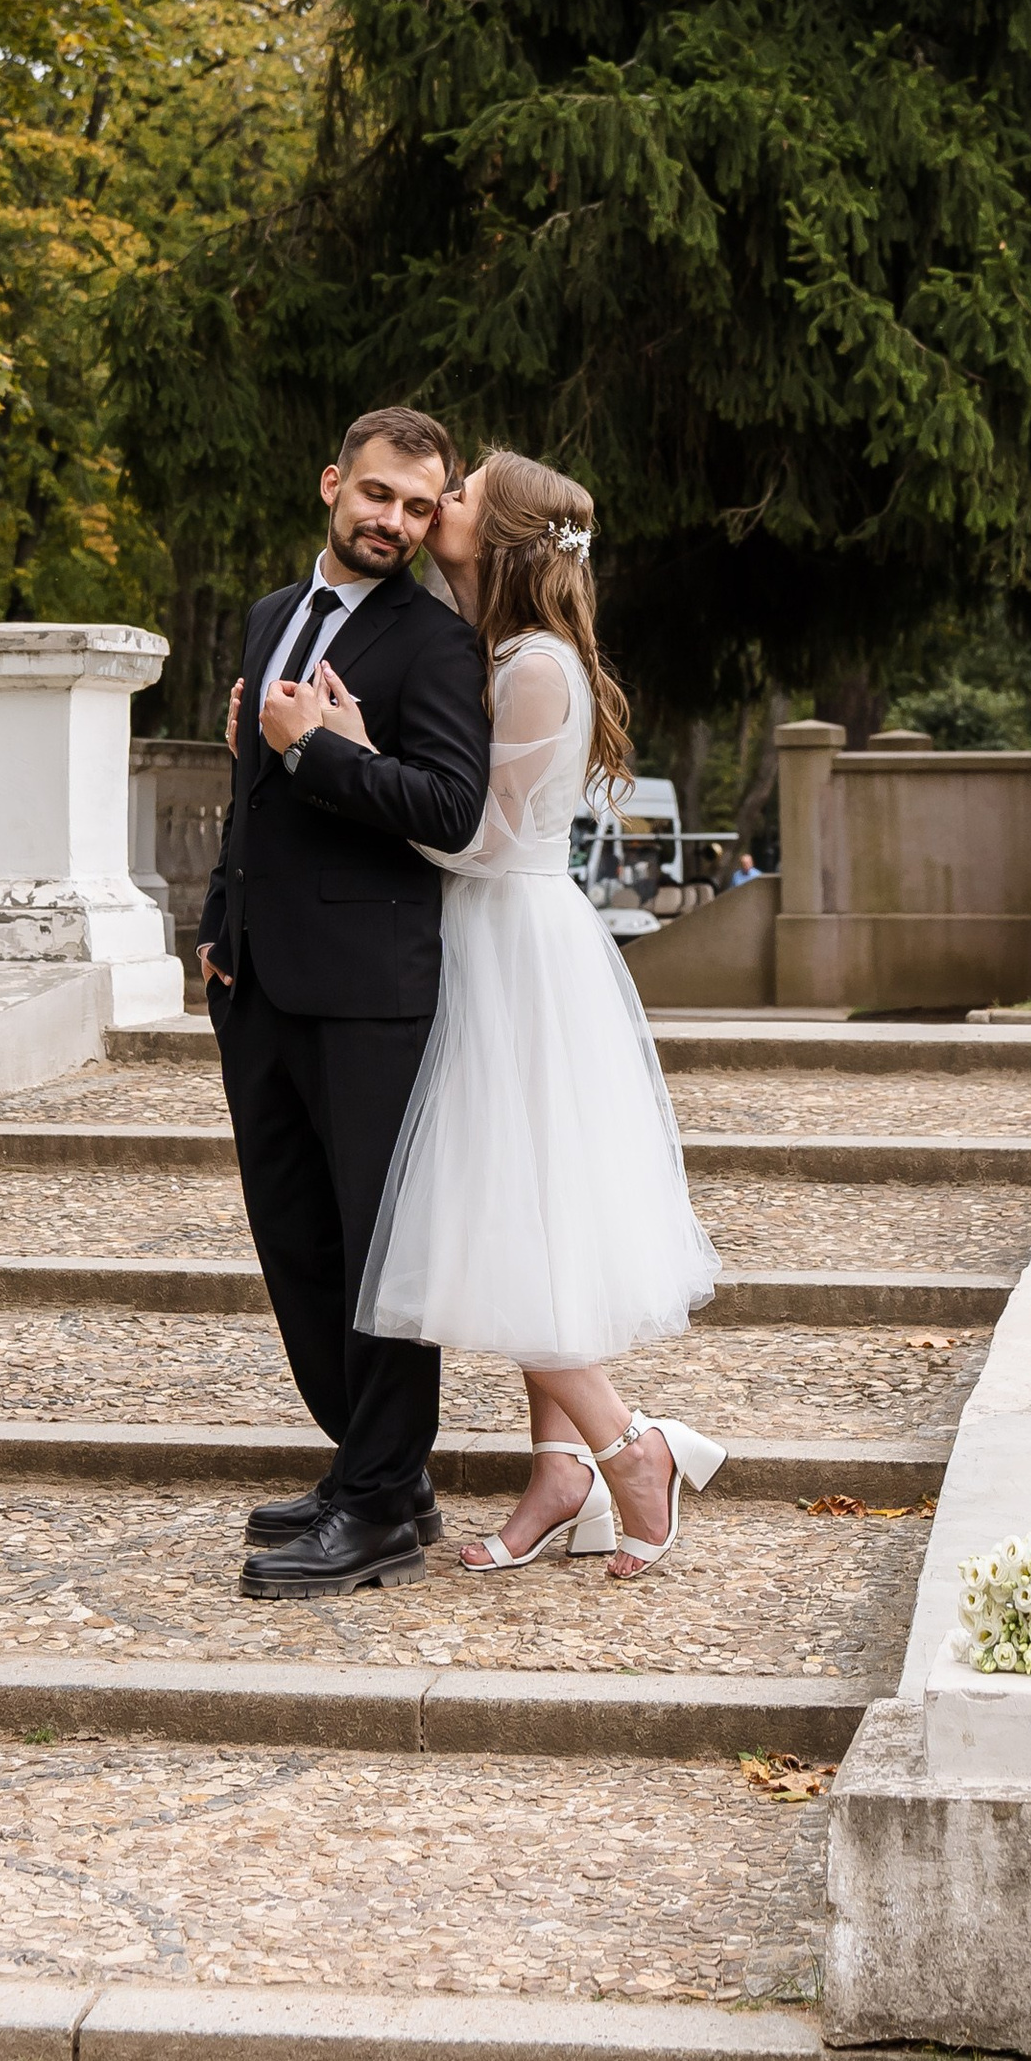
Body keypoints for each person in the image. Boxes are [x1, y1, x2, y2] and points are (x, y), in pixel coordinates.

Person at [331, 449, 727, 1577]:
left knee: (498, 1201)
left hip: (512, 943)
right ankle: (557, 1469)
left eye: (455, 495)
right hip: (489, 935)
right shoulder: (501, 653)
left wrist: (354, 759)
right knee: (519, 1216)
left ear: (498, 534)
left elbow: (479, 835)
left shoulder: (535, 667)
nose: (434, 504)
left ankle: (626, 1443)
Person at [197, 408, 492, 1599]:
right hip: (258, 979)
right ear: (333, 485)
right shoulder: (272, 616)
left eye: (420, 509)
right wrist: (218, 924)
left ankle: (378, 1503)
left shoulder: (433, 645)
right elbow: (250, 793)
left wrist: (321, 752)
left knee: (378, 1251)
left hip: (372, 995)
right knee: (297, 1243)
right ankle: (375, 1469)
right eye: (379, 496)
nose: (396, 524)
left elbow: (450, 812)